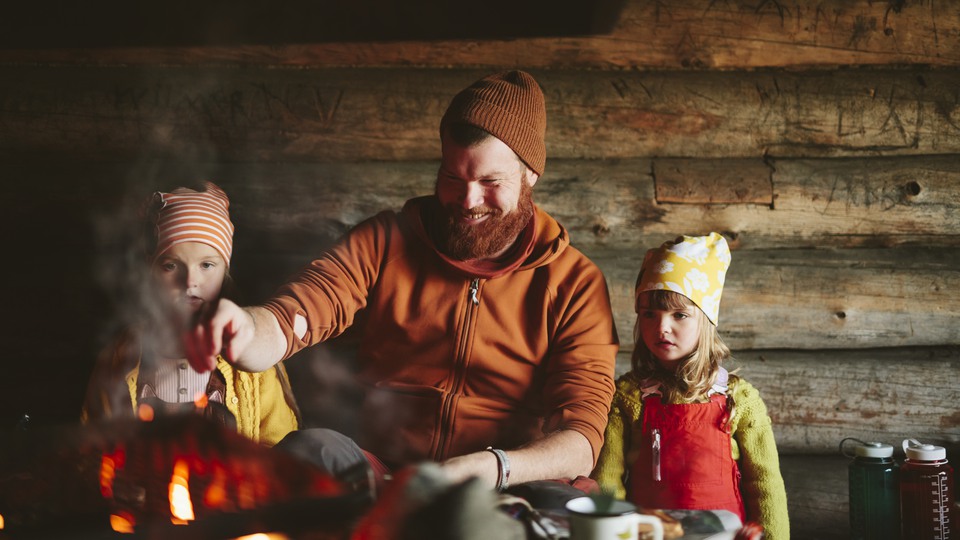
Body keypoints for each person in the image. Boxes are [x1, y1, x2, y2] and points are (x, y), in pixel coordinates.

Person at [183, 71, 619, 494]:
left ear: (530, 176)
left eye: (490, 182)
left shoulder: (575, 283)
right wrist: (244, 328)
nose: (468, 201)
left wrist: (492, 466)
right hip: (385, 474)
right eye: (453, 177)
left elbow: (580, 440)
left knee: (565, 507)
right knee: (309, 450)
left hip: (509, 481)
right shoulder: (384, 241)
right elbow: (295, 313)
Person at [591, 232, 789, 538]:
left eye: (679, 314)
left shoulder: (740, 399)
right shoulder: (629, 397)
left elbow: (765, 484)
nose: (662, 327)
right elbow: (608, 480)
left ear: (706, 319)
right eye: (649, 314)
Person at [82, 182, 301, 446]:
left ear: (225, 271)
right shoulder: (122, 355)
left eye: (207, 265)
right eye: (171, 265)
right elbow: (95, 442)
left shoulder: (252, 354)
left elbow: (280, 448)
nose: (189, 282)